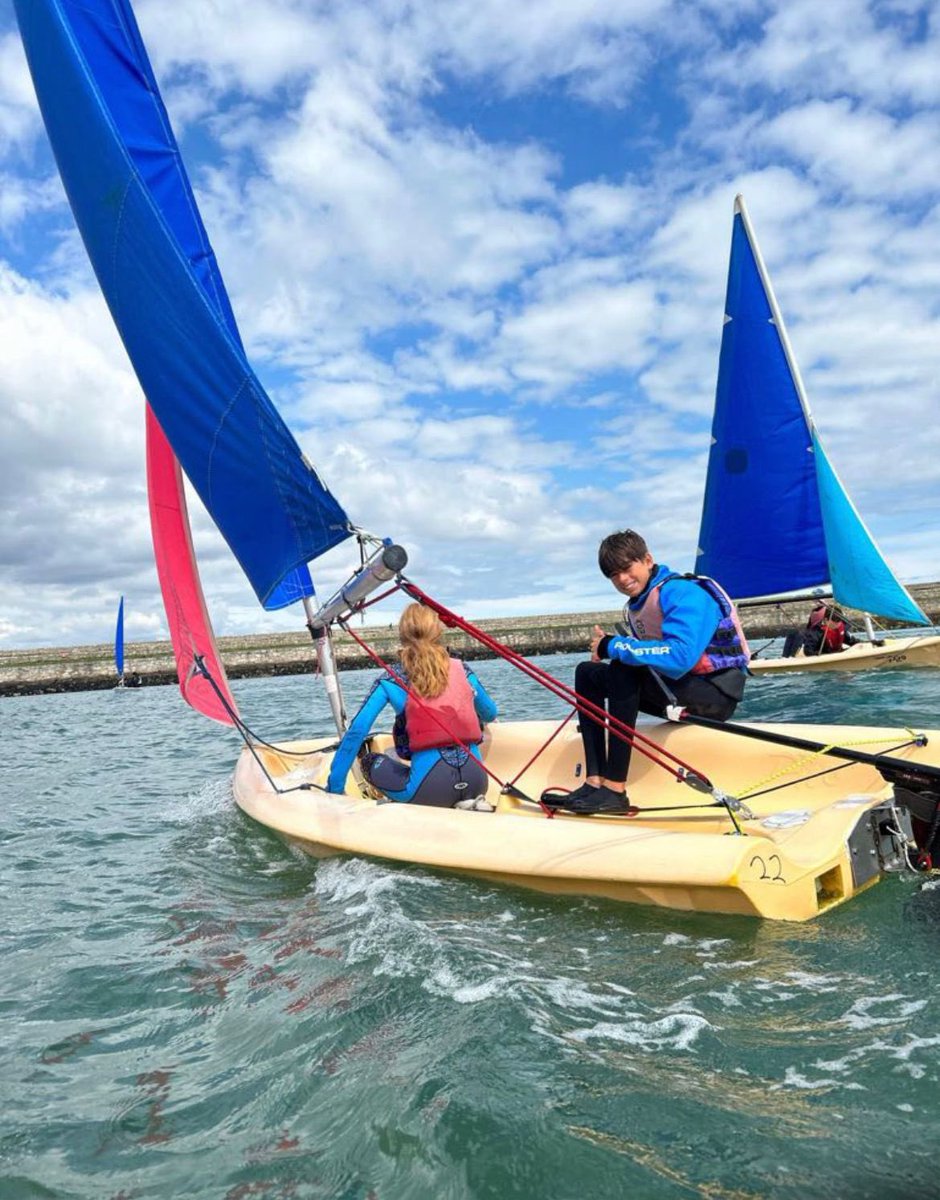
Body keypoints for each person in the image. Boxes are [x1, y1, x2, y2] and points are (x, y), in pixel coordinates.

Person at [552, 529, 750, 815]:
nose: (621, 579)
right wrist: (614, 646)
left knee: (622, 667)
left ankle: (615, 790)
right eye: (613, 575)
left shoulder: (684, 592)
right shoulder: (640, 602)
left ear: (647, 559)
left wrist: (616, 647)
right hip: (679, 689)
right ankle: (595, 782)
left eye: (626, 568)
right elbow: (652, 655)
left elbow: (681, 656)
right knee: (587, 673)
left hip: (715, 694)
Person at [326, 602, 498, 810]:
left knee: (369, 761)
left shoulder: (390, 680)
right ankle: (468, 803)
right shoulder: (463, 670)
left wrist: (334, 789)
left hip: (429, 789)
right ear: (438, 632)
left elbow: (357, 732)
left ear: (402, 636)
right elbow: (490, 712)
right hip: (477, 781)